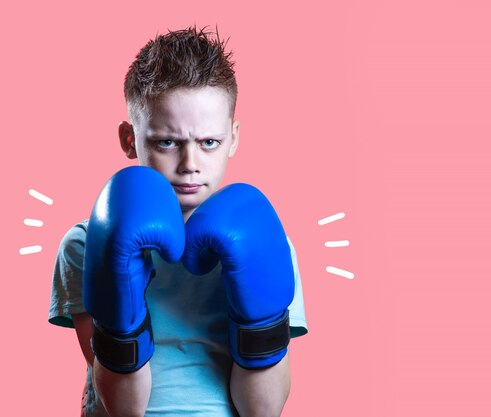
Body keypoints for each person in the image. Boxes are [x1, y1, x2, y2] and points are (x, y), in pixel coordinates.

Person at [48, 26, 308, 417]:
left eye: (209, 142)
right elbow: (123, 409)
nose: (189, 165)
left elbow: (264, 410)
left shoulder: (267, 243)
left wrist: (259, 327)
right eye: (167, 142)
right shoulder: (86, 245)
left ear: (233, 138)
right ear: (129, 139)